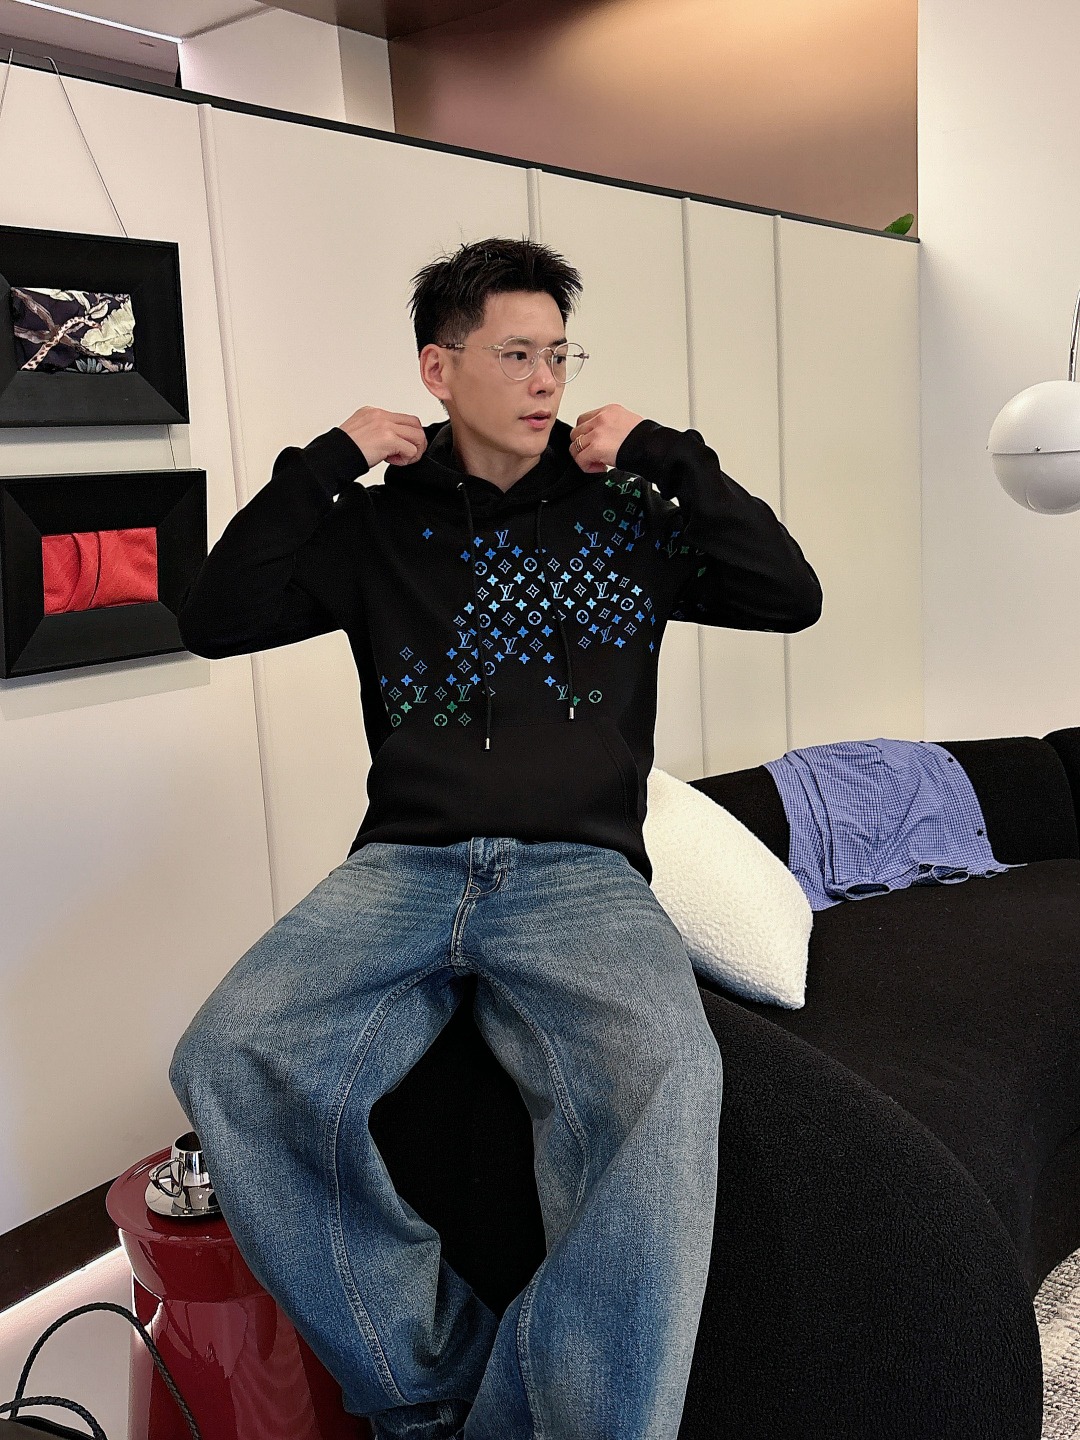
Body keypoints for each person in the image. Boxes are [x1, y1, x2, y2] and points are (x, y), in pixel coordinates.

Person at [168, 235, 823, 1440]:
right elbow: (215, 615)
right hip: (404, 868)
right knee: (229, 1054)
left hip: (581, 874)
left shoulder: (629, 517)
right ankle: (428, 1389)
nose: (544, 381)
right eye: (516, 354)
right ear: (439, 368)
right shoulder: (374, 529)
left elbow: (790, 592)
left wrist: (669, 455)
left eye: (559, 355)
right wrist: (329, 459)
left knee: (673, 1078)